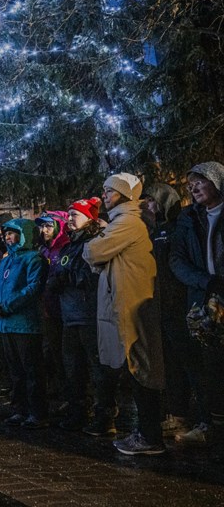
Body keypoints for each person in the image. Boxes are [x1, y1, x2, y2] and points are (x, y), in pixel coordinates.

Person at [85, 173, 165, 455]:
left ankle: (150, 436)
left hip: (133, 306)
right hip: (127, 304)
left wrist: (94, 246)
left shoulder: (128, 222)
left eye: (109, 191)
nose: (104, 195)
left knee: (141, 368)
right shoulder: (124, 221)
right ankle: (145, 433)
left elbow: (94, 252)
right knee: (136, 368)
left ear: (124, 195)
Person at [170, 162, 224, 446]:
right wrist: (206, 281)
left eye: (199, 181)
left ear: (216, 181)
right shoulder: (189, 218)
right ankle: (208, 424)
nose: (193, 187)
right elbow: (177, 260)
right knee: (204, 365)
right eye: (190, 183)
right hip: (202, 300)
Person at [51, 198, 115, 434]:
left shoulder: (96, 242)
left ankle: (104, 416)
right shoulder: (69, 246)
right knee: (73, 369)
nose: (69, 220)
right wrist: (57, 281)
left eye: (74, 215)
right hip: (70, 315)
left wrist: (67, 278)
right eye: (68, 216)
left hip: (90, 315)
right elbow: (60, 270)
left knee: (98, 369)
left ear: (89, 217)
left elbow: (94, 276)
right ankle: (78, 412)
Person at [141, 182, 192, 440]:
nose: (147, 206)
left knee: (188, 362)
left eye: (150, 201)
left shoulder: (176, 227)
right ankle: (178, 413)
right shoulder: (152, 231)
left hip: (178, 303)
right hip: (159, 305)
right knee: (170, 363)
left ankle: (201, 418)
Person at [0, 219, 49, 429]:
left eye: (12, 233)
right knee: (15, 371)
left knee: (31, 370)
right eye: (6, 234)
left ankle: (37, 413)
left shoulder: (34, 259)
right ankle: (19, 409)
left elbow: (32, 289)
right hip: (6, 325)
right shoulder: (6, 260)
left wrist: (7, 306)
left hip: (25, 325)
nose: (7, 237)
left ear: (25, 235)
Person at [35, 211, 69, 405]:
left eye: (48, 226)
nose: (44, 230)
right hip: (48, 310)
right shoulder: (43, 250)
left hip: (63, 310)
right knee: (53, 355)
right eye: (41, 226)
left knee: (66, 356)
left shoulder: (63, 247)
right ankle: (60, 394)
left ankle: (73, 398)